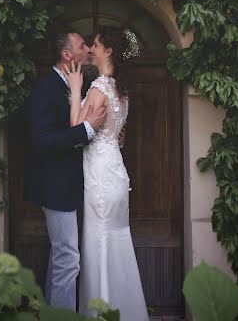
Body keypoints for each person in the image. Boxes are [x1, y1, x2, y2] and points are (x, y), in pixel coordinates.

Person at [64, 26, 149, 320]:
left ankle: (100, 314)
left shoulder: (99, 87)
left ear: (108, 50)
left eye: (96, 45)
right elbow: (118, 136)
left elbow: (78, 130)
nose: (92, 49)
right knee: (116, 238)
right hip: (115, 169)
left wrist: (75, 90)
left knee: (99, 241)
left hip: (100, 174)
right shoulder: (120, 91)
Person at [23, 30, 107, 311]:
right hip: (54, 185)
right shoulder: (46, 88)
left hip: (70, 185)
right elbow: (42, 140)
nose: (87, 49)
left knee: (62, 255)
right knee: (69, 257)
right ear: (67, 55)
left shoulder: (75, 85)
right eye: (83, 45)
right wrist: (86, 129)